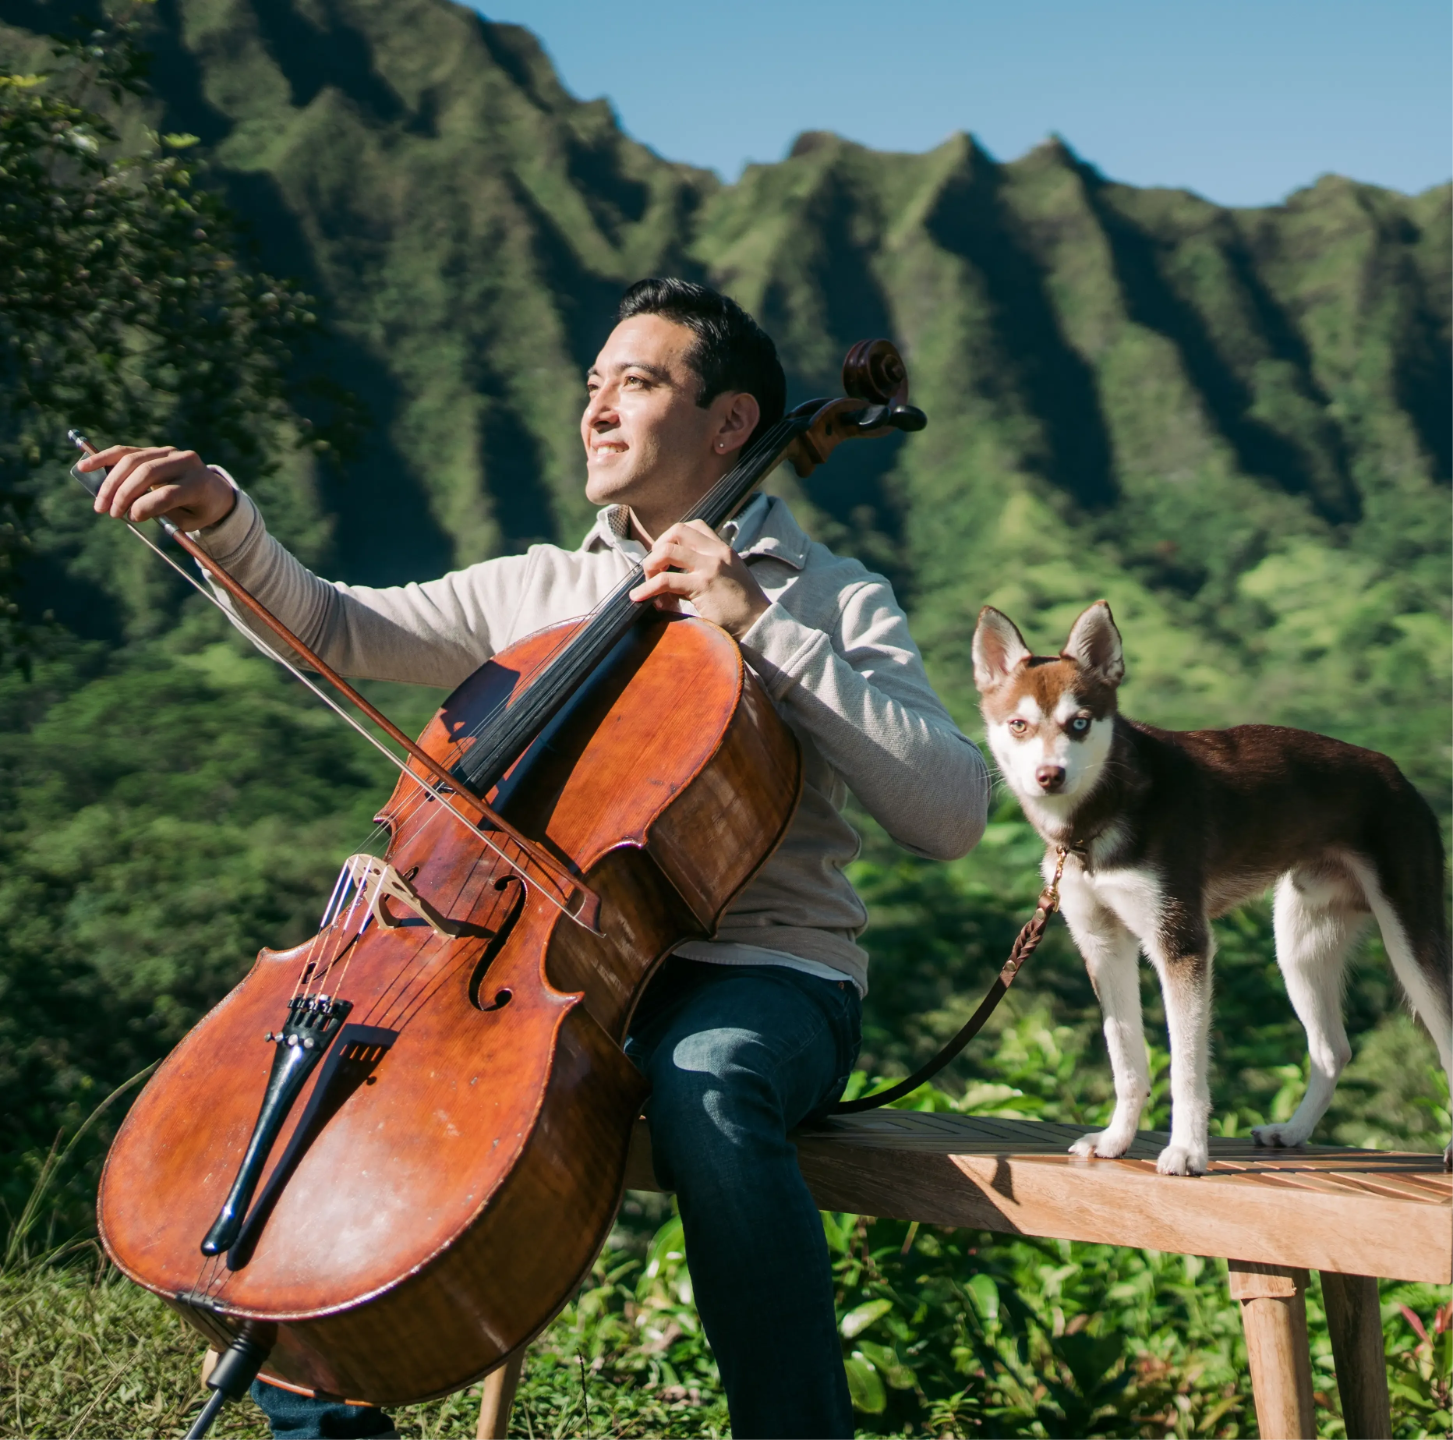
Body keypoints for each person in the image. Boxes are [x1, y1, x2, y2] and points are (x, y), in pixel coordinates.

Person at [83, 278, 990, 1440]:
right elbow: (333, 626)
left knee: (706, 1086)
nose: (598, 410)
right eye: (594, 385)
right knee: (330, 1103)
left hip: (765, 978)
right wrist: (221, 517)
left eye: (640, 382)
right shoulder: (539, 590)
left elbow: (951, 811)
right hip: (526, 968)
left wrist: (756, 625)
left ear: (730, 425)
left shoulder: (831, 596)